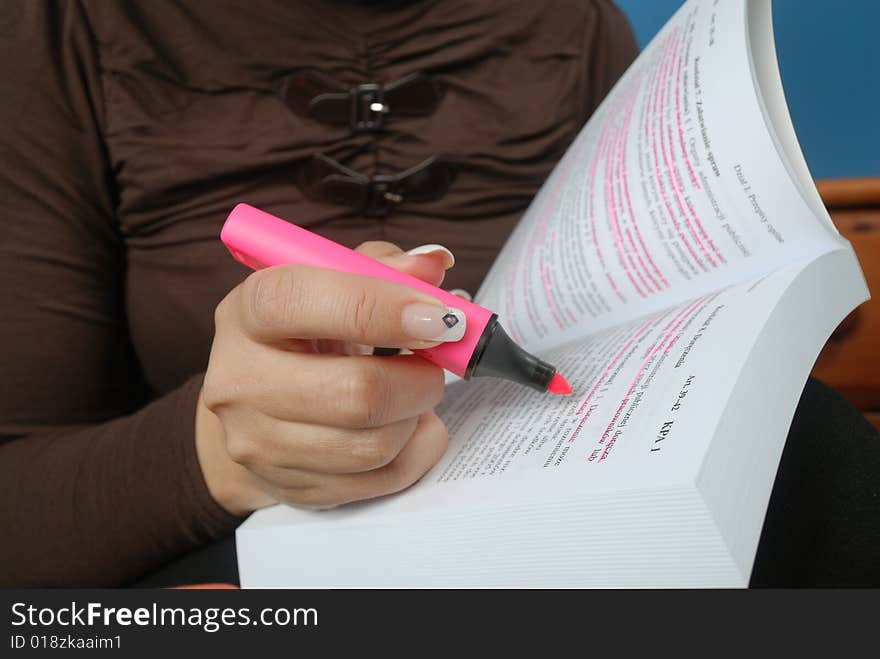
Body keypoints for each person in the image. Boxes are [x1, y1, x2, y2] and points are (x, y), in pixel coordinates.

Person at [1, 1, 877, 588]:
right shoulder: (61, 29)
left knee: (810, 447)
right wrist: (224, 454)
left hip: (554, 523)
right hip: (229, 555)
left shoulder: (572, 23)